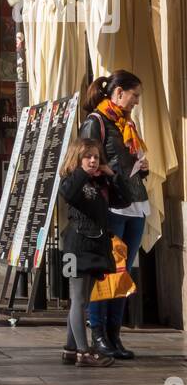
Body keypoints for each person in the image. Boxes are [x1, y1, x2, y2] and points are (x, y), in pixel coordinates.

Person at [79, 71, 148, 359]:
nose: (136, 102)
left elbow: (125, 158)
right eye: (134, 96)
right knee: (107, 272)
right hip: (111, 206)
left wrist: (141, 166)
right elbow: (83, 161)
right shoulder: (96, 122)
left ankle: (114, 335)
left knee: (124, 274)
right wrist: (105, 170)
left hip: (135, 203)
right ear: (118, 92)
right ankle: (98, 335)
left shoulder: (126, 123)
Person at [59, 137, 132, 367]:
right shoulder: (72, 180)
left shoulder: (100, 183)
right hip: (75, 247)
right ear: (77, 158)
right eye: (87, 156)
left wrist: (112, 175)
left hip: (95, 248)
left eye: (96, 157)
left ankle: (70, 349)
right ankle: (84, 351)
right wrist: (82, 171)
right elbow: (68, 194)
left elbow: (125, 199)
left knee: (81, 301)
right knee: (79, 300)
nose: (92, 160)